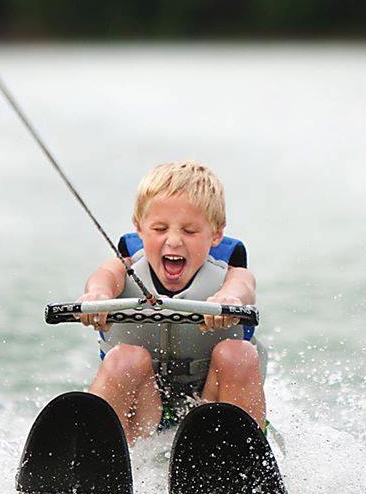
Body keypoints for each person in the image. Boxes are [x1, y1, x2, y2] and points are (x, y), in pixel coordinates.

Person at [78, 160, 268, 444]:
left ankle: (244, 454)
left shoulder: (231, 276)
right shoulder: (123, 267)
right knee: (125, 359)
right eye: (159, 229)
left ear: (216, 234)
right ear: (139, 229)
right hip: (143, 408)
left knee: (237, 355)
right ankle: (94, 450)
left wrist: (228, 299)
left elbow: (243, 288)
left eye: (190, 231)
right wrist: (98, 296)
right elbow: (103, 278)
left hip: (210, 408)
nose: (174, 241)